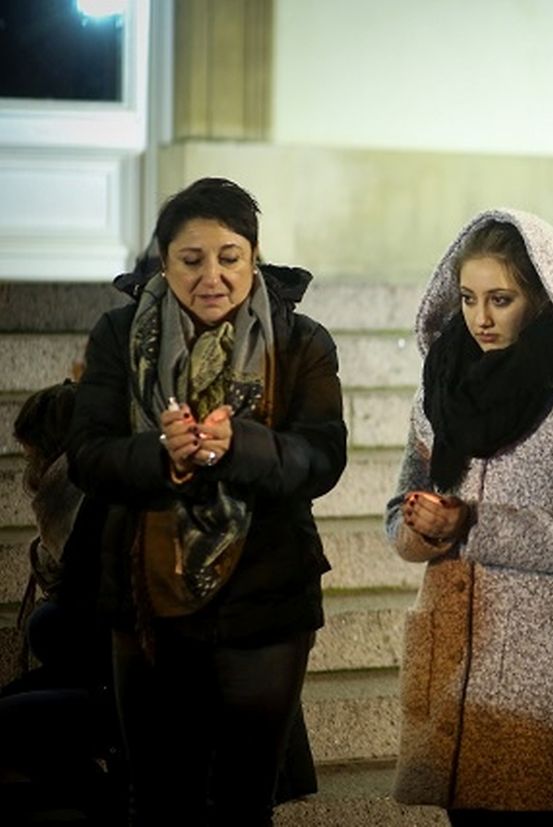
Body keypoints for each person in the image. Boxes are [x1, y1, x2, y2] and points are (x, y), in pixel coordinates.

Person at [67, 177, 347, 826]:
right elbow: (87, 453)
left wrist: (241, 447)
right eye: (192, 259)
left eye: (229, 256)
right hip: (147, 602)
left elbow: (322, 457)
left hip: (266, 599)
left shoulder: (300, 341)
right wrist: (162, 457)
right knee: (157, 797)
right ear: (164, 261)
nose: (212, 275)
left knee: (243, 800)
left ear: (254, 257)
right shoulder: (117, 335)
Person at [385, 210, 553, 826]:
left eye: (502, 299)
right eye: (468, 299)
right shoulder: (442, 381)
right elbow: (402, 506)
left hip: (535, 673)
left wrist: (468, 523)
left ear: (544, 299)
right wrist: (415, 527)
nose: (481, 318)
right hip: (451, 660)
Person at [0, 381, 121, 822]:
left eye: (32, 452)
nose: (28, 465)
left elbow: (88, 621)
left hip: (136, 694)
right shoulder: (81, 499)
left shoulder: (93, 503)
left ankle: (113, 805)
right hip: (112, 681)